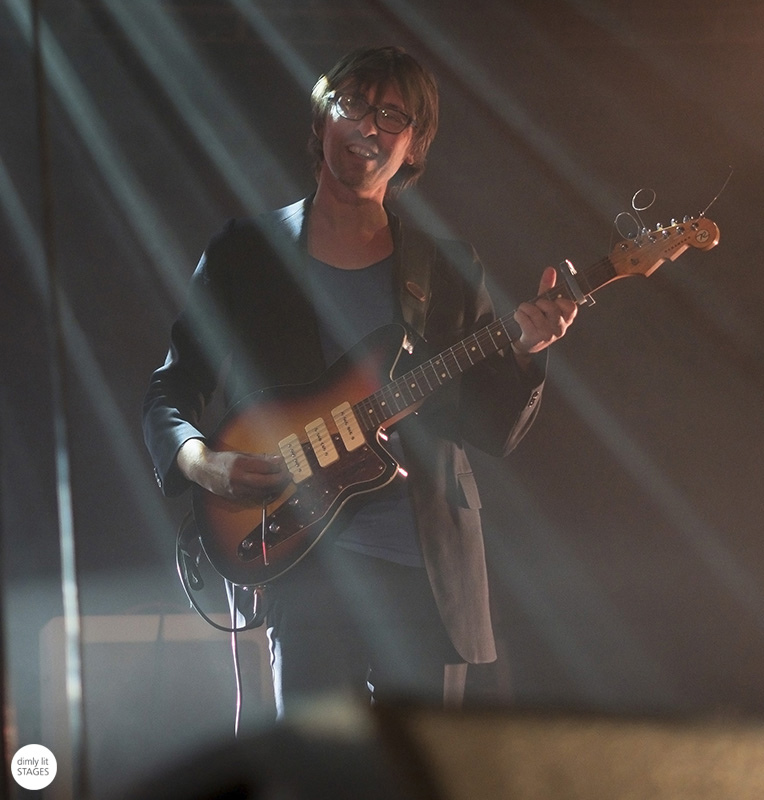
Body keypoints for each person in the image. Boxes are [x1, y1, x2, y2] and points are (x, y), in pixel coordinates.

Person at [142, 45, 577, 714]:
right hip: (299, 558)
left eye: (392, 116)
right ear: (320, 121)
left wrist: (526, 352)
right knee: (322, 771)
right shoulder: (245, 253)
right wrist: (206, 466)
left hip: (425, 567)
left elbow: (490, 428)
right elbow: (170, 391)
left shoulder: (447, 268)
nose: (368, 128)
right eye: (351, 105)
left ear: (416, 145)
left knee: (421, 771)